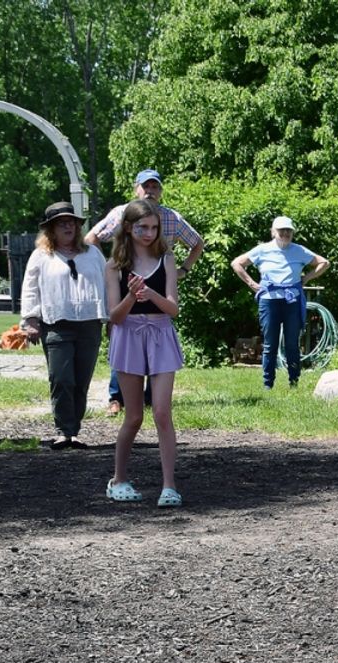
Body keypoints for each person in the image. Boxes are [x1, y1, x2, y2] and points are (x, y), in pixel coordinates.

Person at [86, 169, 205, 416]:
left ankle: (152, 399)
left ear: (160, 191)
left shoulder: (171, 217)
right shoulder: (121, 213)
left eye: (155, 187)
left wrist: (182, 270)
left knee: (157, 343)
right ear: (136, 189)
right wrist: (106, 269)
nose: (150, 191)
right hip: (126, 282)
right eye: (145, 186)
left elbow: (197, 243)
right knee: (124, 340)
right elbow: (91, 238)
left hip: (158, 289)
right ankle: (116, 397)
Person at [104, 200, 185, 507]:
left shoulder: (166, 259)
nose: (149, 233)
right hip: (129, 336)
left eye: (154, 227)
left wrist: (150, 294)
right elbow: (115, 316)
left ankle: (169, 486)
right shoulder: (114, 266)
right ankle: (118, 479)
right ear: (129, 228)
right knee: (134, 416)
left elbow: (173, 308)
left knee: (163, 412)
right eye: (142, 227)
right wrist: (131, 296)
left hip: (161, 333)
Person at [19, 202, 107, 449]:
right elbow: (30, 288)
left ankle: (74, 431)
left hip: (89, 324)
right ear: (51, 230)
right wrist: (31, 320)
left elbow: (109, 284)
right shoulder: (41, 256)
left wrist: (111, 318)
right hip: (56, 324)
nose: (69, 226)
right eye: (62, 223)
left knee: (81, 380)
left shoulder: (92, 253)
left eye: (72, 222)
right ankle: (62, 430)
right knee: (61, 378)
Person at [230, 217, 329, 389]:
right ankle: (268, 385)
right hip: (269, 301)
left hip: (292, 301)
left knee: (292, 343)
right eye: (281, 230)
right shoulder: (262, 250)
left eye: (288, 231)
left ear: (292, 233)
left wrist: (306, 278)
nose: (285, 233)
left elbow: (324, 263)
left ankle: (294, 382)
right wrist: (252, 284)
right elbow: (237, 263)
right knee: (270, 344)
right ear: (273, 232)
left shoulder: (299, 251)